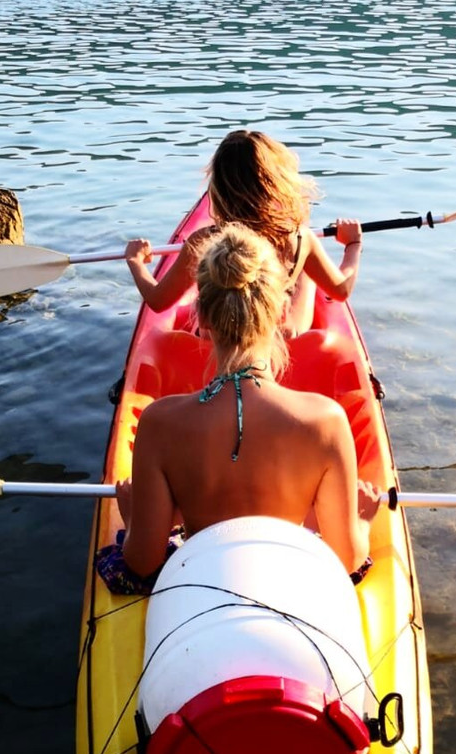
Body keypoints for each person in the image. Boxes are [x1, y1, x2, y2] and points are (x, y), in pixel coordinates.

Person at [99, 223, 379, 595]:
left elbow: (142, 562)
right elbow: (347, 561)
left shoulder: (159, 422)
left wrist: (134, 518)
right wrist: (362, 520)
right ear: (282, 310)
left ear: (202, 317)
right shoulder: (326, 420)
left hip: (201, 579)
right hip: (284, 575)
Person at [126, 129, 364, 336]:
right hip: (282, 334)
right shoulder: (299, 237)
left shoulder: (203, 242)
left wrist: (135, 261)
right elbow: (341, 290)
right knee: (305, 275)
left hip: (212, 338)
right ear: (274, 183)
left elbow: (157, 301)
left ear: (218, 186)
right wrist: (352, 245)